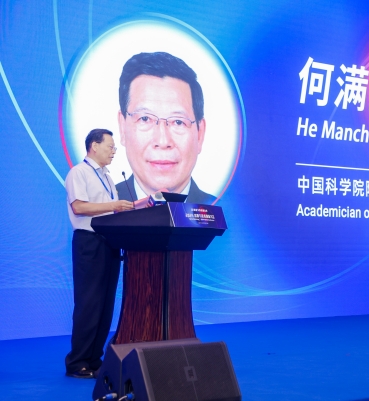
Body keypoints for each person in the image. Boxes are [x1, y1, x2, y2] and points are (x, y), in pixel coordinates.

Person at [64, 129, 134, 379]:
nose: (114, 152)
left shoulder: (107, 176)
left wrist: (135, 207)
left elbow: (110, 211)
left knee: (105, 304)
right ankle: (77, 362)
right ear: (94, 145)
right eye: (110, 147)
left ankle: (94, 359)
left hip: (110, 242)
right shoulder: (79, 173)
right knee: (89, 303)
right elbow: (79, 207)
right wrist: (114, 205)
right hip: (89, 243)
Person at [115, 52, 216, 204]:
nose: (163, 141)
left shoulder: (229, 213)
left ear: (199, 134)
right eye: (145, 119)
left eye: (178, 122)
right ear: (123, 128)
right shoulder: (95, 211)